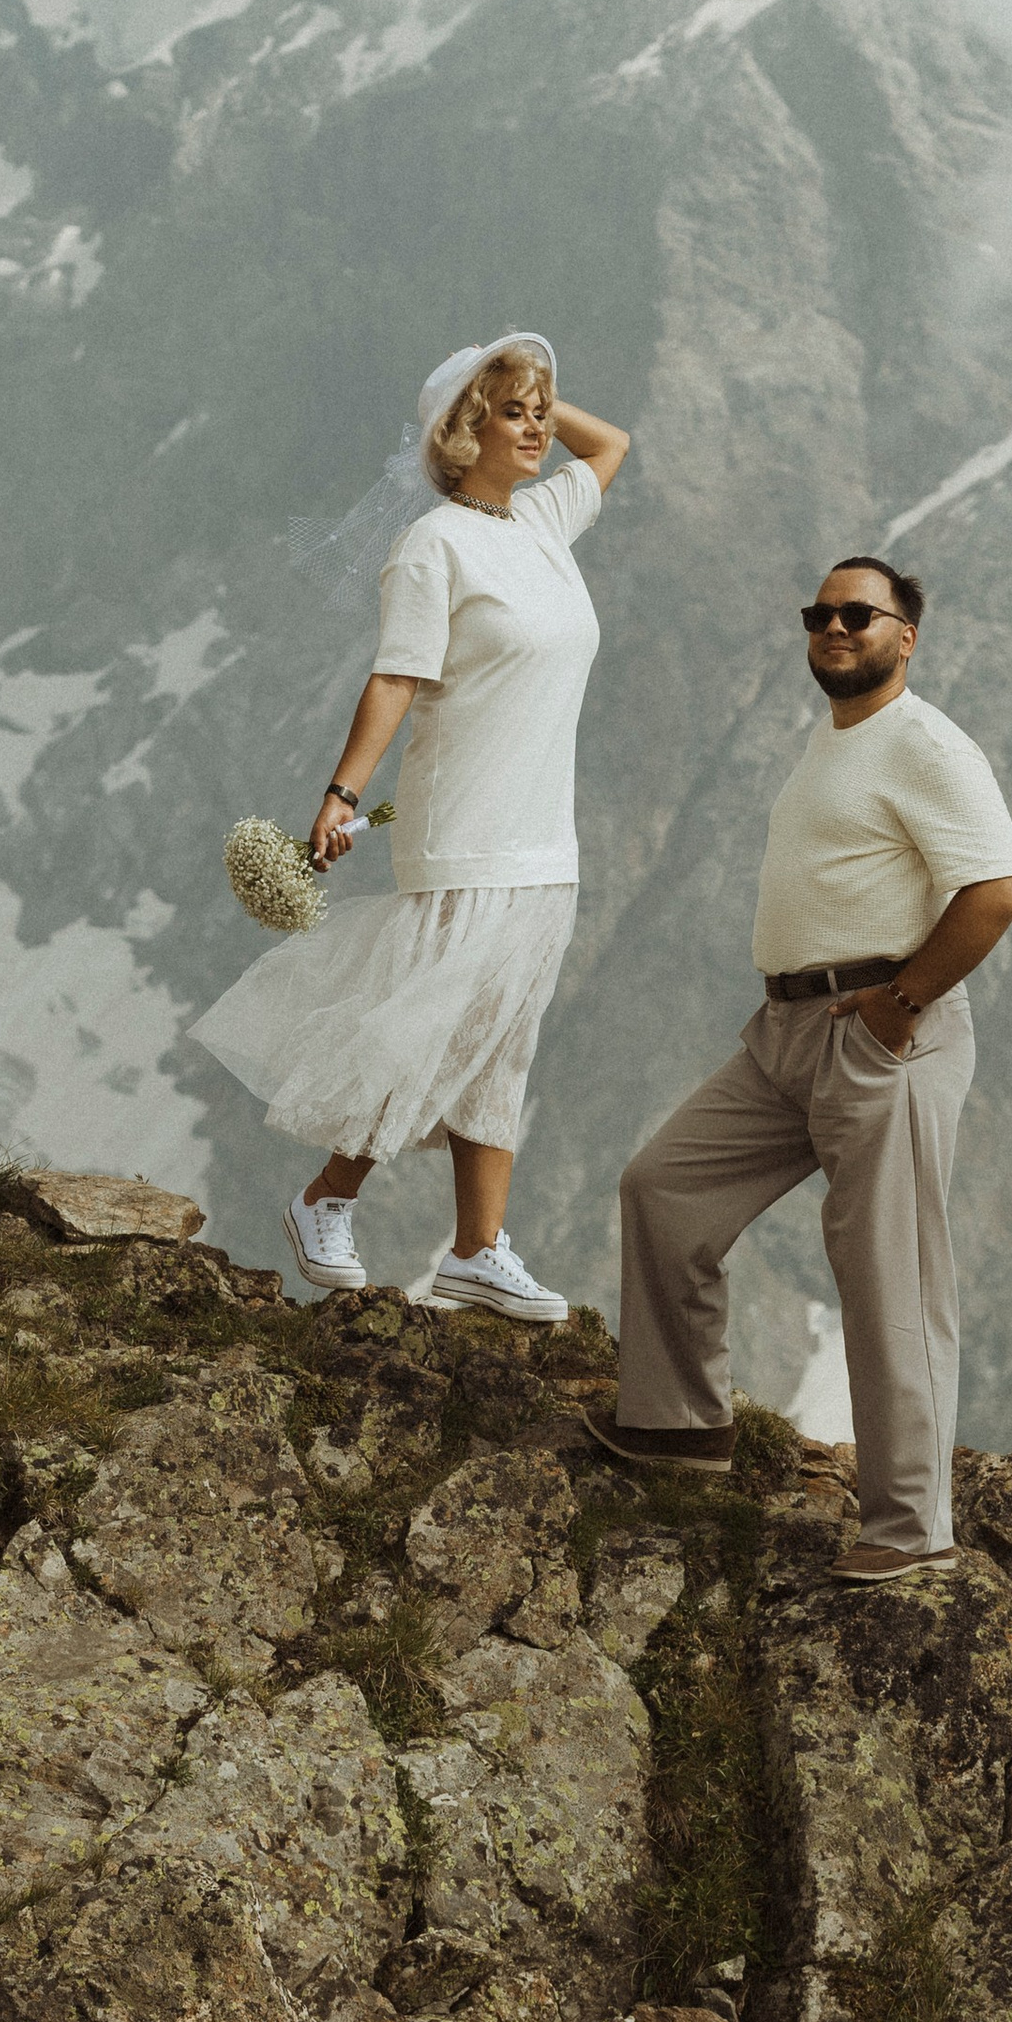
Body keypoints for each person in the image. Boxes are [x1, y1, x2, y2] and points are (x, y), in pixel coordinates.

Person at [586, 554, 1012, 1580]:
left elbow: (996, 892)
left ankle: (909, 1533)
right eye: (819, 614)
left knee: (890, 1280)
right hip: (786, 1032)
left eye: (857, 615)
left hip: (881, 1034)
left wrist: (899, 1007)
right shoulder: (833, 741)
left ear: (904, 635)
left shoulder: (926, 745)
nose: (834, 628)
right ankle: (680, 1427)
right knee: (664, 1189)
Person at [196, 331, 629, 1322]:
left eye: (534, 415)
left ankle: (478, 1248)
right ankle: (325, 1200)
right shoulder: (434, 546)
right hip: (464, 816)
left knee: (500, 1032)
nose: (533, 432)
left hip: (541, 833)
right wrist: (343, 793)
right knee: (433, 1023)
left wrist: (532, 393)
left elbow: (611, 447)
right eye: (508, 416)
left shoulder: (542, 523)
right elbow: (396, 674)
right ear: (460, 431)